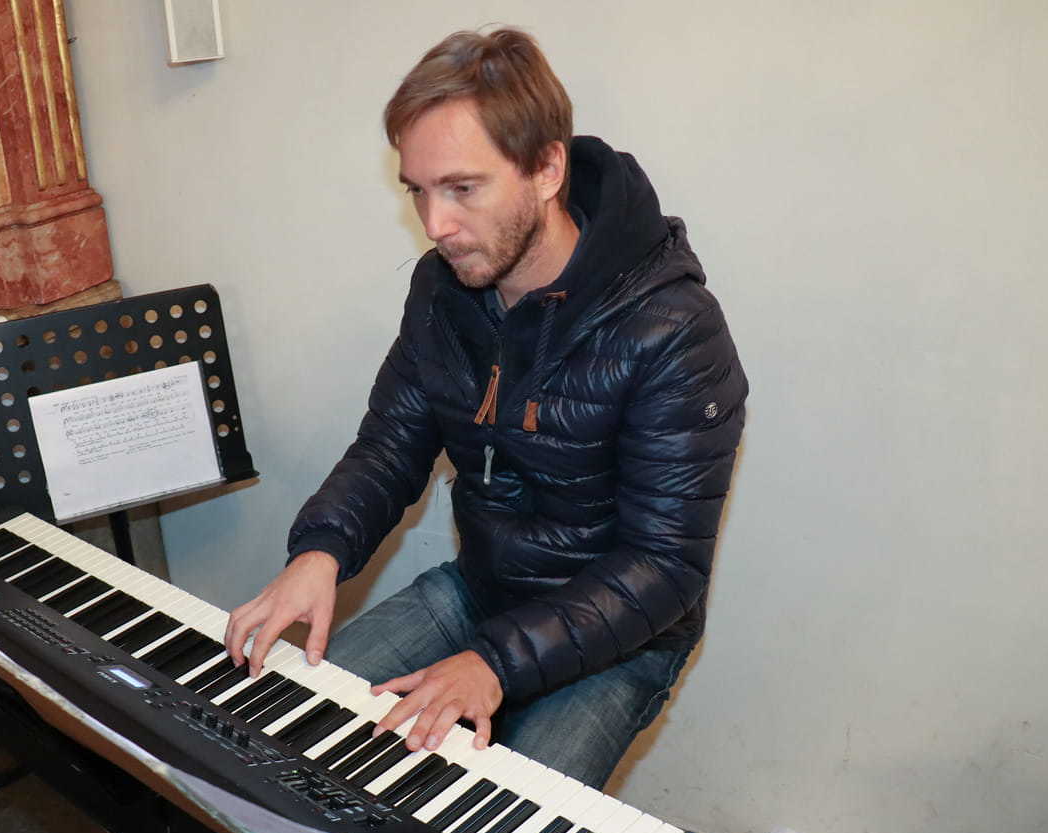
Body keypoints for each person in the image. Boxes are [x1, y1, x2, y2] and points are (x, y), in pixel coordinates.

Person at [224, 27, 746, 789]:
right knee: (279, 735)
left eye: (462, 188)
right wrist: (322, 549)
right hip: (482, 590)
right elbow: (391, 443)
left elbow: (665, 567)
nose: (435, 225)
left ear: (546, 169)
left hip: (622, 638)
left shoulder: (673, 330)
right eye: (418, 191)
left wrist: (495, 663)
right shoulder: (444, 289)